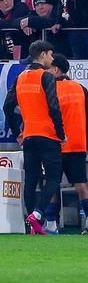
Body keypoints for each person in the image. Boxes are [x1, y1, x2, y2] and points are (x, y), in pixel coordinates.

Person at [12, 40, 66, 235]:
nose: (52, 59)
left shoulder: (20, 78)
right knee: (53, 177)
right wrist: (61, 133)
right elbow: (53, 106)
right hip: (48, 135)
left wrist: (16, 130)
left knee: (31, 179)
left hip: (29, 136)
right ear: (42, 55)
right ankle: (37, 214)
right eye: (50, 55)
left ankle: (32, 226)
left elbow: (7, 107)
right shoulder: (46, 77)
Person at [45, 53, 88, 234]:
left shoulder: (49, 89)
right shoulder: (81, 89)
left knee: (52, 183)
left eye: (48, 68)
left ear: (55, 69)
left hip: (55, 142)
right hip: (78, 143)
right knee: (81, 183)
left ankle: (51, 223)